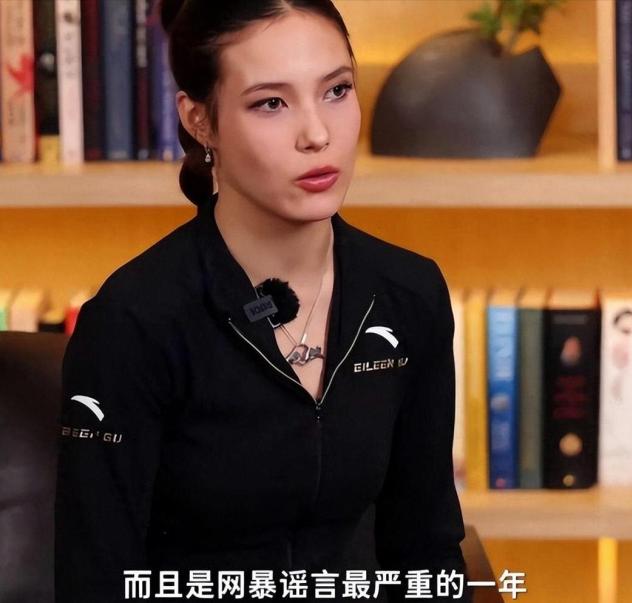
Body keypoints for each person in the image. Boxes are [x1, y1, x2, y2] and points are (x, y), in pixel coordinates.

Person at [54, 1, 470, 601]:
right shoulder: (134, 322)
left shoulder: (409, 295)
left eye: (336, 90)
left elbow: (427, 551)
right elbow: (97, 581)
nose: (317, 135)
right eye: (271, 103)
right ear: (200, 121)